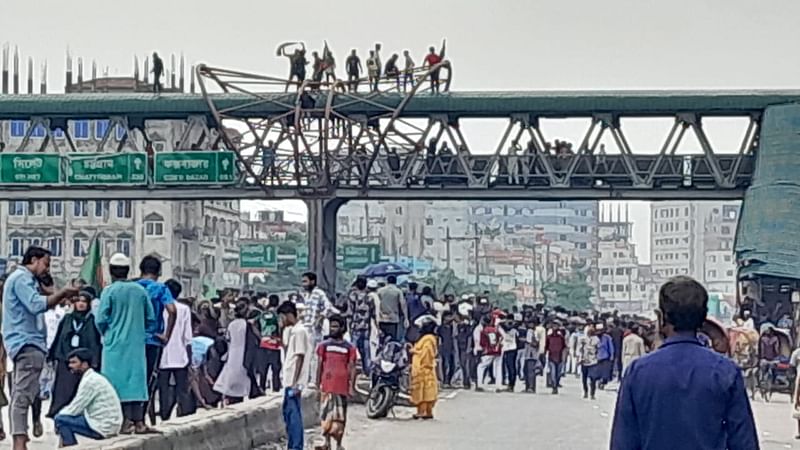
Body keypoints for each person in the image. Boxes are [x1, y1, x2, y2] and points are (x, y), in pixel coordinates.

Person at [610, 276, 759, 450]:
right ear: (703, 319)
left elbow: (623, 443)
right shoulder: (725, 372)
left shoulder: (637, 372)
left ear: (662, 318)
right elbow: (744, 442)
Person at [2, 246, 78, 450]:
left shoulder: (27, 280)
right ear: (33, 260)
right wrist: (61, 292)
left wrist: (55, 292)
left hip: (30, 343)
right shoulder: (21, 279)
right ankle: (19, 441)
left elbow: (45, 300)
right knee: (22, 395)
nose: (47, 268)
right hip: (26, 342)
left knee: (26, 393)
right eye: (45, 264)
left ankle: (22, 439)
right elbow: (36, 304)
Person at [95, 253, 156, 435]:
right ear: (128, 271)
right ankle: (139, 422)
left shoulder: (109, 291)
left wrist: (108, 333)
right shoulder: (140, 291)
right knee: (136, 382)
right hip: (136, 344)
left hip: (114, 345)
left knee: (115, 384)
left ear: (112, 272)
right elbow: (151, 319)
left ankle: (122, 422)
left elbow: (100, 319)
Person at [46, 291, 102, 418]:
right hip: (65, 361)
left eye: (84, 301)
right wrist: (53, 355)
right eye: (78, 301)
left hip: (83, 363)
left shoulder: (92, 321)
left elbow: (94, 342)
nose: (81, 304)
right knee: (63, 390)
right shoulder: (67, 319)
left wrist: (94, 361)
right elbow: (59, 338)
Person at [53, 348, 122, 447]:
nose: (70, 366)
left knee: (60, 419)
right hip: (108, 424)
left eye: (74, 362)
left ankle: (70, 447)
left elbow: (75, 408)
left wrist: (57, 420)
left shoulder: (90, 381)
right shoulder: (92, 377)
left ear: (85, 364)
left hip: (103, 426)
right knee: (62, 419)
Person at [315, 315, 356, 450]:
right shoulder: (323, 345)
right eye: (331, 326)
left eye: (336, 326)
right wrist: (317, 383)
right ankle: (326, 443)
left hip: (342, 386)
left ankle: (338, 444)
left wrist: (351, 386)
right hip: (327, 385)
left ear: (342, 328)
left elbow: (352, 366)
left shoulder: (349, 348)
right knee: (326, 414)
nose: (333, 329)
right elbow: (320, 364)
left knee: (340, 416)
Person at [157, 279, 193, 419]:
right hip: (180, 356)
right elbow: (187, 337)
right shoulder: (184, 309)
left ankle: (164, 415)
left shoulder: (160, 307)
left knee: (163, 389)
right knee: (182, 390)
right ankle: (183, 415)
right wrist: (190, 360)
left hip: (162, 356)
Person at [279, 301, 311, 450]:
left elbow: (299, 357)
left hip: (293, 380)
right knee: (289, 413)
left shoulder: (299, 332)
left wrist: (294, 382)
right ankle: (293, 444)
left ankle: (296, 446)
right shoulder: (293, 331)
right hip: (290, 378)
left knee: (293, 415)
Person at [214, 301, 253, 405]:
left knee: (229, 379)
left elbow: (228, 339)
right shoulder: (247, 325)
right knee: (241, 381)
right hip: (243, 355)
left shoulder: (231, 325)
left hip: (232, 354)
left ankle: (227, 400)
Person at [302, 272, 333, 384]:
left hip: (315, 329)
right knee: (307, 354)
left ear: (312, 281)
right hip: (306, 327)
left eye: (305, 281)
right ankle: (307, 378)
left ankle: (314, 379)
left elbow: (328, 307)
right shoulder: (306, 295)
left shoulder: (319, 293)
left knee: (315, 354)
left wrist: (321, 317)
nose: (303, 284)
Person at [410, 316, 439, 420]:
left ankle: (422, 412)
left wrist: (414, 351)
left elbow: (426, 354)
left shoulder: (428, 339)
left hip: (423, 369)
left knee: (423, 392)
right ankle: (426, 412)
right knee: (426, 391)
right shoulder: (428, 338)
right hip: (423, 369)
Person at [347, 277, 376, 375]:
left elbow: (350, 313)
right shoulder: (370, 297)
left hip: (355, 327)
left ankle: (350, 370)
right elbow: (373, 314)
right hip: (366, 328)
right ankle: (367, 372)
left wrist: (349, 327)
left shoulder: (352, 296)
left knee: (352, 351)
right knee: (366, 352)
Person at [257, 294, 283, 392]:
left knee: (263, 369)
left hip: (263, 343)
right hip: (274, 344)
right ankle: (275, 389)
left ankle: (262, 388)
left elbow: (256, 325)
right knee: (275, 370)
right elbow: (280, 327)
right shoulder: (277, 315)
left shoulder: (262, 314)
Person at [475, 315, 502, 392]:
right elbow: (501, 338)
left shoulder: (484, 330)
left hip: (488, 351)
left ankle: (479, 384)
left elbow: (482, 342)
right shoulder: (496, 330)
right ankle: (498, 386)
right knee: (498, 368)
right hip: (498, 350)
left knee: (481, 366)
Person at [377, 275, 408, 341]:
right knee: (392, 340)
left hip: (381, 318)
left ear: (387, 281)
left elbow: (376, 303)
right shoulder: (398, 291)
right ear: (395, 282)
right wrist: (406, 318)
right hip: (393, 318)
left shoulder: (380, 291)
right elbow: (403, 304)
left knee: (381, 339)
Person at [578, 325, 601, 399]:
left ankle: (592, 393)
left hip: (593, 361)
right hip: (584, 360)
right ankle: (585, 391)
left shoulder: (596, 339)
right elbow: (580, 349)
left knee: (593, 378)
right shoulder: (583, 339)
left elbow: (598, 349)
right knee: (584, 378)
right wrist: (580, 358)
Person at [545, 322, 567, 394]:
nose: (555, 327)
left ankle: (556, 384)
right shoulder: (549, 337)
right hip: (551, 357)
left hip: (560, 357)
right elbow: (546, 347)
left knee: (558, 374)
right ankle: (554, 387)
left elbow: (564, 347)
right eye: (553, 326)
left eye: (556, 326)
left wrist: (564, 357)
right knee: (553, 373)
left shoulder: (561, 337)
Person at [498, 319, 518, 392]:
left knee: (510, 368)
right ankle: (511, 384)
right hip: (511, 349)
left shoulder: (506, 331)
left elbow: (499, 325)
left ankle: (511, 384)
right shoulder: (514, 330)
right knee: (511, 367)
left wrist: (504, 323)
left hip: (509, 350)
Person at [438, 311, 456, 387]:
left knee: (453, 365)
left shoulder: (452, 327)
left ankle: (449, 381)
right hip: (444, 348)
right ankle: (445, 381)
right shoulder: (440, 328)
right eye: (448, 317)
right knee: (445, 364)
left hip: (452, 347)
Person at [522, 321, 541, 393]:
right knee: (526, 371)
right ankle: (528, 387)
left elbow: (533, 342)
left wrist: (526, 341)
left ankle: (531, 387)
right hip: (528, 353)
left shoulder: (533, 332)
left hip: (531, 354)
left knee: (530, 372)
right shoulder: (532, 331)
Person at [596, 323, 615, 388]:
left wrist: (612, 355)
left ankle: (602, 383)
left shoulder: (607, 337)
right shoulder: (595, 337)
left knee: (605, 372)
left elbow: (611, 347)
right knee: (597, 372)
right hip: (596, 357)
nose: (599, 332)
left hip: (605, 357)